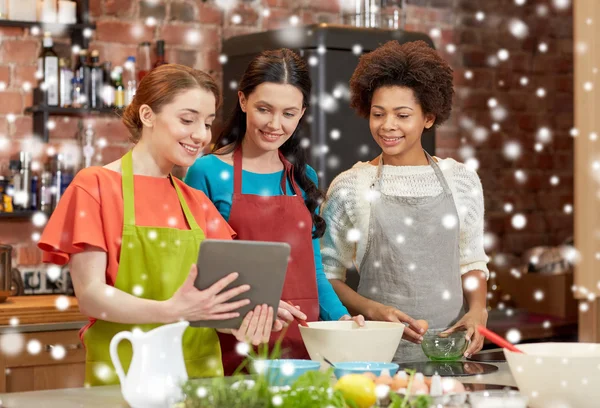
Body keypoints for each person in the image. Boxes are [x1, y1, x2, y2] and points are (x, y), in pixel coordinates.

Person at [38, 64, 278, 386]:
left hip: (199, 380)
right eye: (187, 119)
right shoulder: (94, 186)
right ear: (148, 115)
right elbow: (91, 295)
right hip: (125, 376)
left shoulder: (196, 202)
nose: (201, 135)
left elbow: (206, 307)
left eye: (207, 123)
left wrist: (244, 317)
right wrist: (171, 310)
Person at [185, 48, 364, 375]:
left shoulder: (303, 178)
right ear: (242, 101)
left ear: (302, 113)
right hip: (237, 339)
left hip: (303, 342)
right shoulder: (206, 172)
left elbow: (314, 272)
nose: (275, 124)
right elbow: (196, 272)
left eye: (288, 114)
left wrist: (343, 320)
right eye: (264, 109)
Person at [321, 40, 490, 362]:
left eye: (402, 115)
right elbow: (327, 275)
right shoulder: (350, 187)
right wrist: (374, 309)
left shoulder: (461, 181)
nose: (388, 126)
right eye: (378, 114)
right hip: (376, 353)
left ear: (428, 117)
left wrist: (478, 310)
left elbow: (471, 259)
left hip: (450, 349)